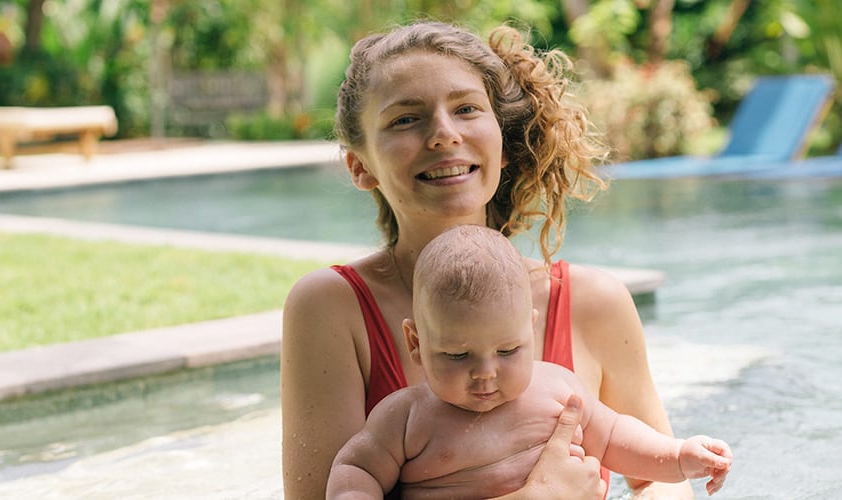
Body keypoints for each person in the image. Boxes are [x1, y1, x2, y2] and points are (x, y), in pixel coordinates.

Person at [282, 20, 695, 498]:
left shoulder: (593, 302)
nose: (443, 134)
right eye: (405, 119)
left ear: (501, 145)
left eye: (466, 109)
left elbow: (659, 480)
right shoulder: (333, 308)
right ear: (361, 166)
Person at [325, 225, 733, 499]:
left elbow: (614, 437)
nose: (485, 371)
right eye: (457, 355)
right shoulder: (404, 418)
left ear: (530, 332)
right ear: (416, 343)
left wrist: (679, 456)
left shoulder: (559, 390)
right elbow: (355, 467)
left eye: (507, 351)